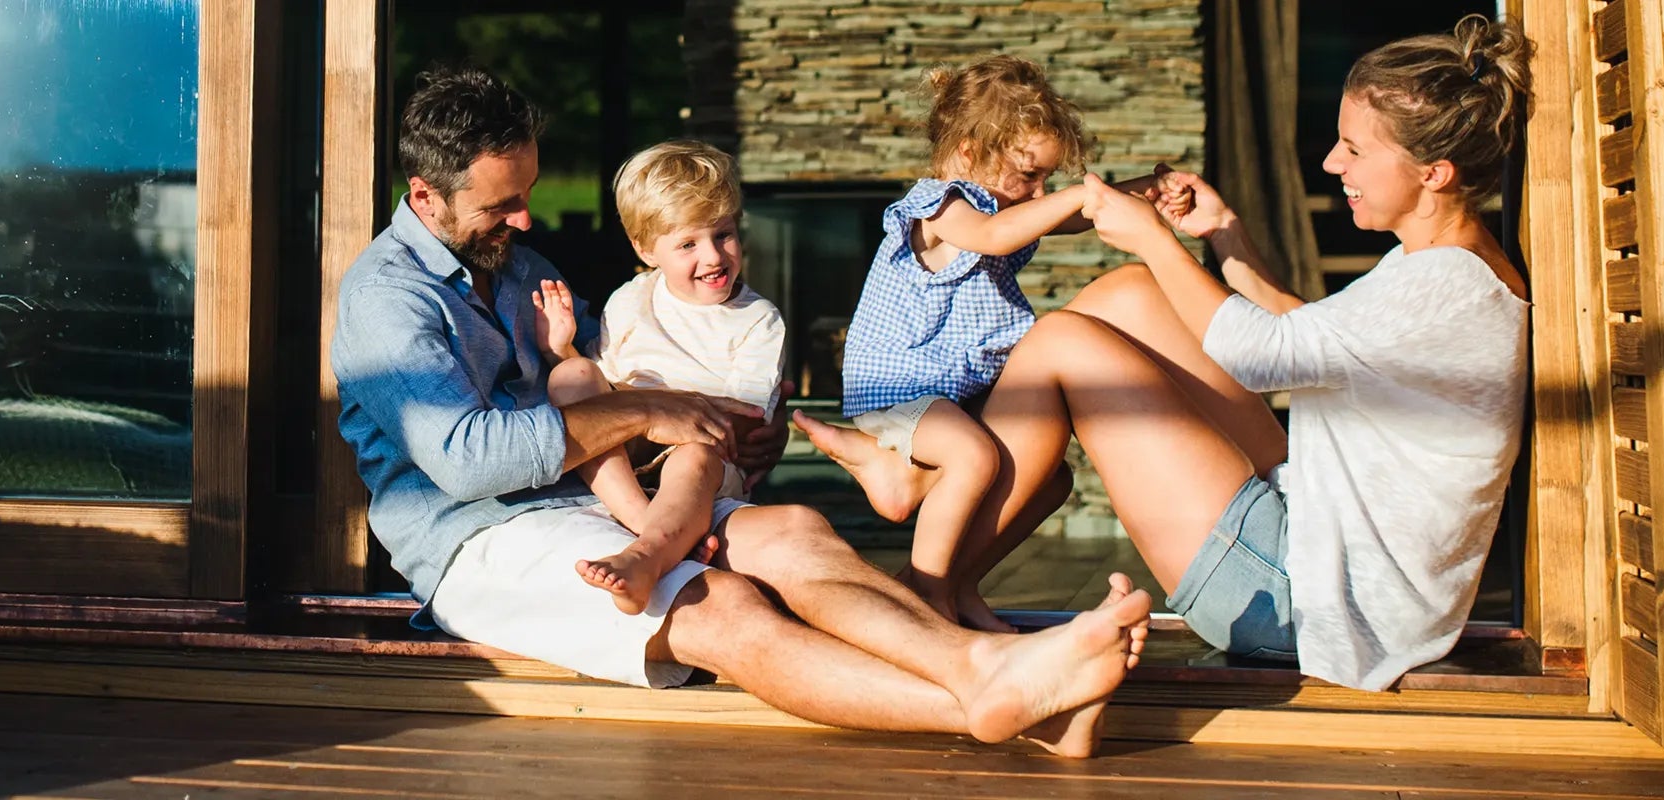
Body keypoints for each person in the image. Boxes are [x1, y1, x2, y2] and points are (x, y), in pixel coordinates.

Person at [332, 63, 1151, 756]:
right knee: (720, 604)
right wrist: (658, 410)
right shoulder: (386, 299)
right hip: (482, 536)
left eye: (528, 193)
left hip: (598, 500)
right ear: (425, 196)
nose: (526, 218)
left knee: (796, 532)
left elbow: (613, 363)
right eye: (501, 205)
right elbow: (472, 460)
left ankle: (1001, 674)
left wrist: (726, 429)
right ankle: (995, 701)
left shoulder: (511, 261)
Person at [835, 17, 1531, 690]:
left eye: (1354, 148)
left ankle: (924, 568)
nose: (1331, 162)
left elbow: (1268, 356)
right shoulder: (1440, 264)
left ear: (1434, 172)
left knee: (1061, 341)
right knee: (1127, 295)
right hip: (1316, 534)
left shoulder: (1441, 286)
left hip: (1308, 598)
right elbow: (1307, 335)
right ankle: (947, 527)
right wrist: (1222, 232)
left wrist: (1156, 239)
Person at [791, 55, 1159, 633]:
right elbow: (992, 236)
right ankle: (929, 596)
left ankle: (960, 584)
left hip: (952, 391)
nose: (1039, 191)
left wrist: (1146, 192)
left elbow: (1069, 219)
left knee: (1050, 478)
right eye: (1029, 174)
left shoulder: (1005, 204)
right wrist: (1076, 196)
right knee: (974, 456)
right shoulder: (939, 206)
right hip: (901, 385)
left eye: (1046, 179)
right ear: (969, 152)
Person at [531, 139, 786, 614]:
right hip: (627, 450)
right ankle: (644, 521)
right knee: (571, 375)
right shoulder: (631, 299)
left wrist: (652, 409)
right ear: (646, 249)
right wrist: (560, 346)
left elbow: (740, 419)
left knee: (693, 456)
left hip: (702, 455)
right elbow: (600, 387)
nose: (712, 257)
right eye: (688, 243)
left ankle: (645, 557)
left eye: (723, 235)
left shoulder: (758, 319)